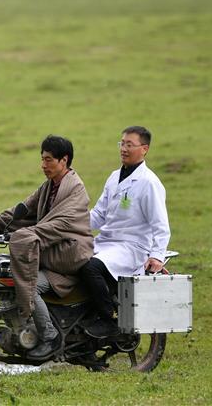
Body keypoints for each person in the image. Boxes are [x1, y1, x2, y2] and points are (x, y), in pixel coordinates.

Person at [0, 135, 93, 358]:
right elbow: (21, 212)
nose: (43, 165)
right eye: (42, 159)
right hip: (51, 255)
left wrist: (22, 236)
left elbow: (57, 225)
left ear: (63, 160)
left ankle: (50, 337)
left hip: (66, 259)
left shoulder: (75, 191)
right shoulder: (48, 187)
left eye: (48, 160)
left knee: (30, 285)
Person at [80, 126, 171, 338]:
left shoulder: (149, 183)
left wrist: (157, 255)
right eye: (122, 143)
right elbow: (99, 215)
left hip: (131, 247)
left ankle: (108, 320)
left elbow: (160, 224)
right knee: (70, 257)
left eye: (129, 144)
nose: (123, 148)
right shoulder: (114, 177)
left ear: (144, 149)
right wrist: (72, 224)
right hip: (106, 242)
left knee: (90, 267)